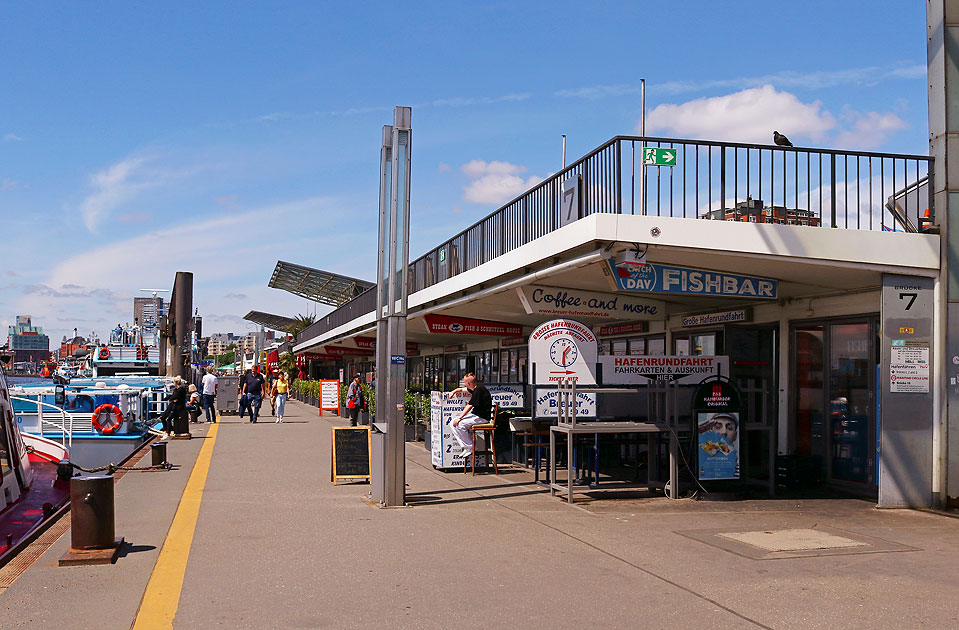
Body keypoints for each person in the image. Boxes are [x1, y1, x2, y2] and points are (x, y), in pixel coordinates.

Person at [447, 373, 493, 457]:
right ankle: (466, 447)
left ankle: (470, 447)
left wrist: (460, 418)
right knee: (452, 423)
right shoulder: (475, 389)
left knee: (460, 424)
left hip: (482, 418)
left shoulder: (479, 390)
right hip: (477, 416)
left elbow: (469, 405)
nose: (464, 384)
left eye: (464, 382)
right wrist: (454, 391)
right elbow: (462, 390)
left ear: (468, 383)